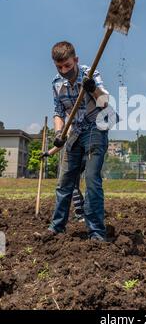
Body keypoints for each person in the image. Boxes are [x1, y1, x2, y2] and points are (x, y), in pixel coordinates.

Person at [48, 40, 110, 241]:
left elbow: (105, 102)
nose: (64, 70)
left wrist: (92, 89)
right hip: (75, 131)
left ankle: (96, 232)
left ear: (75, 60)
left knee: (92, 180)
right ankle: (57, 227)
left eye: (67, 65)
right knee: (64, 181)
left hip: (95, 127)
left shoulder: (90, 73)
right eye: (59, 67)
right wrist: (59, 134)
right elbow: (59, 112)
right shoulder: (57, 84)